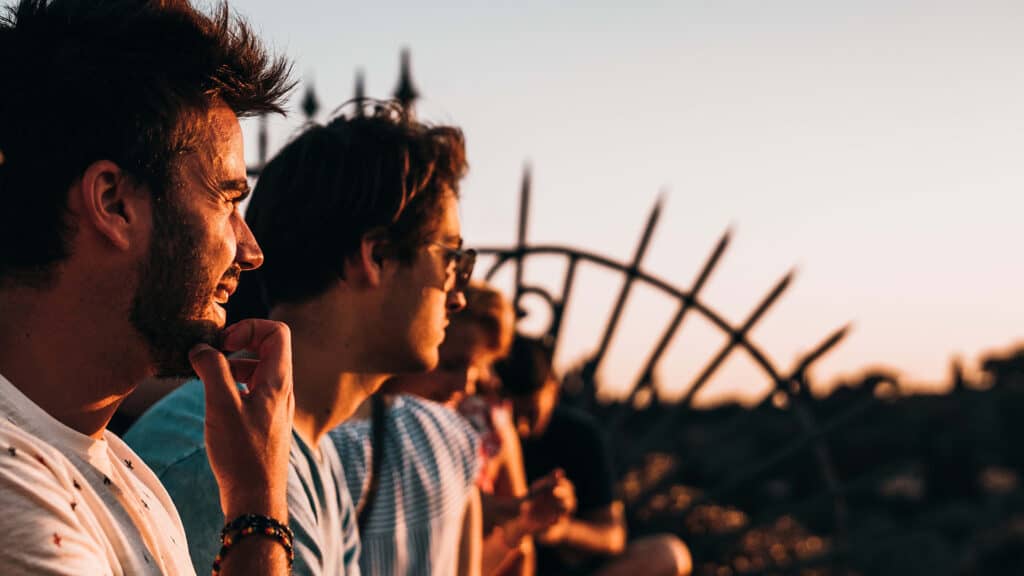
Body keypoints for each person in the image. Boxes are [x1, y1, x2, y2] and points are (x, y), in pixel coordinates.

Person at [0, 0, 296, 574]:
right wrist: (258, 510)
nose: (251, 251)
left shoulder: (117, 468)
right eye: (227, 200)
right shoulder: (15, 489)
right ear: (114, 203)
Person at [126, 102, 472, 575]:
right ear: (377, 256)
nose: (459, 296)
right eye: (451, 257)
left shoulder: (311, 449)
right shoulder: (222, 463)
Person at [371, 282, 574, 576]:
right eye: (450, 365)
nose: (464, 385)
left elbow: (512, 557)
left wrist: (520, 523)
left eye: (476, 369)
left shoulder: (485, 429)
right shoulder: (353, 429)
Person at [496, 337, 693, 576]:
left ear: (553, 389)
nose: (521, 427)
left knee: (668, 553)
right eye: (510, 414)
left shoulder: (580, 435)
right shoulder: (482, 430)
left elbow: (612, 536)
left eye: (530, 412)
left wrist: (559, 530)